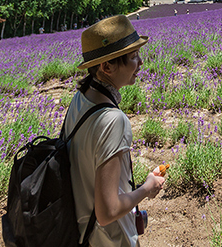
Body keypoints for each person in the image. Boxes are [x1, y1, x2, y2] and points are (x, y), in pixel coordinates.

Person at [64, 15, 166, 246]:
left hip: (79, 232)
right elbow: (108, 211)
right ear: (106, 66)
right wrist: (146, 188)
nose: (140, 63)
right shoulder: (113, 121)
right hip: (108, 239)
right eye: (132, 57)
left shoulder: (80, 100)